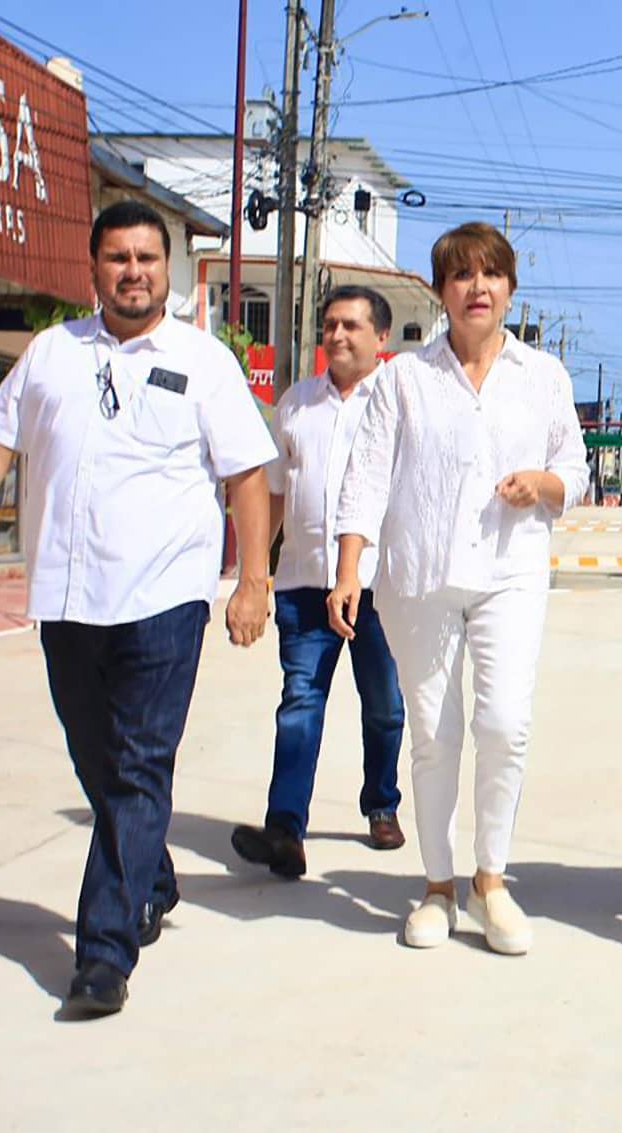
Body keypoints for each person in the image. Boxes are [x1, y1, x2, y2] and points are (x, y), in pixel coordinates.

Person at [0, 200, 277, 1017]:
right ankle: (150, 871)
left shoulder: (204, 361)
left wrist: (253, 579)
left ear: (168, 270)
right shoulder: (52, 353)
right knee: (99, 760)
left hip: (163, 596)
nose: (133, 271)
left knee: (137, 764)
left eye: (147, 258)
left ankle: (103, 952)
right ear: (93, 271)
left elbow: (247, 476)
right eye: (117, 258)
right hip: (67, 594)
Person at [329, 222, 586, 956]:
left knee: (504, 722)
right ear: (441, 291)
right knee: (434, 736)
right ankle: (438, 885)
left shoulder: (543, 377)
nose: (478, 288)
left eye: (491, 275)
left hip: (510, 572)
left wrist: (543, 482)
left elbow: (575, 464)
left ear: (509, 288)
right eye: (462, 276)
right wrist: (350, 568)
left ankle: (491, 879)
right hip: (418, 575)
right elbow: (368, 475)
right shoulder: (404, 379)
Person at [230, 287, 406, 879]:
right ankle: (286, 830)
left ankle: (381, 803)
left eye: (352, 326)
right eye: (329, 325)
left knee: (384, 707)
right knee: (300, 703)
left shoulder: (401, 403)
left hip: (382, 588)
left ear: (381, 338)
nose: (337, 335)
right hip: (304, 585)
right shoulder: (296, 404)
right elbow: (274, 494)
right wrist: (252, 572)